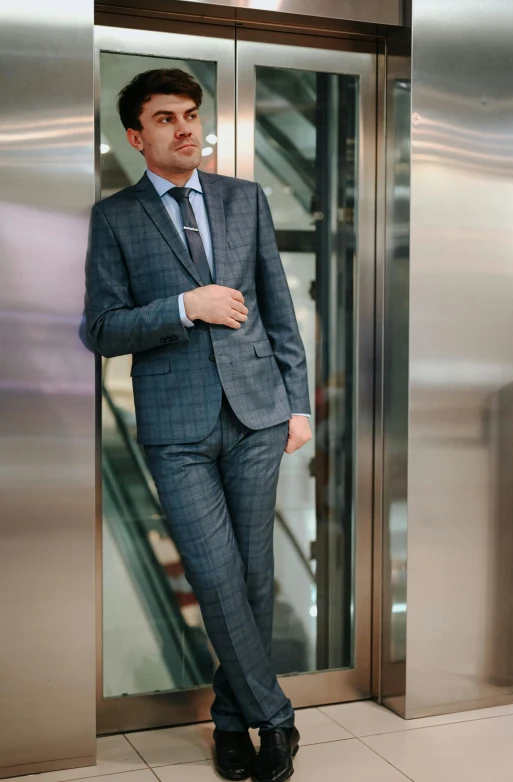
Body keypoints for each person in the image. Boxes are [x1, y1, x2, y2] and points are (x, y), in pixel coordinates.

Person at [85, 68, 312, 782]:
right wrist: (187, 306)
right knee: (215, 578)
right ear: (136, 136)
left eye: (190, 114)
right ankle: (274, 719)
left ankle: (226, 723)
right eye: (164, 118)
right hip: (175, 427)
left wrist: (297, 404)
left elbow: (278, 306)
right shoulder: (116, 216)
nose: (185, 128)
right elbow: (101, 328)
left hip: (257, 417)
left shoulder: (245, 200)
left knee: (251, 576)